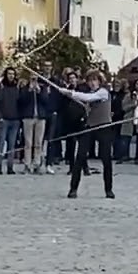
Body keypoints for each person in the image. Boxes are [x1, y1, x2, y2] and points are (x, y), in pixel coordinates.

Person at [54, 70, 114, 199]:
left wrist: (69, 92)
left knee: (106, 159)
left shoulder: (103, 92)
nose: (92, 83)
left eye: (95, 80)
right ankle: (73, 189)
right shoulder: (89, 94)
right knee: (80, 157)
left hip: (104, 128)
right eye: (90, 80)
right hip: (90, 127)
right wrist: (69, 94)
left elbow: (89, 98)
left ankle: (108, 190)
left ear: (99, 81)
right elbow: (85, 99)